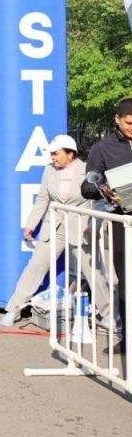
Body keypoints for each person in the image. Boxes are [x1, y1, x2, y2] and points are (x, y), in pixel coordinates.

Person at [2, 134, 115, 330]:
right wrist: (31, 224)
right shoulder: (49, 170)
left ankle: (109, 315)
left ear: (70, 154)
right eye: (51, 154)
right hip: (53, 227)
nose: (52, 157)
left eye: (56, 153)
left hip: (82, 228)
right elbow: (42, 200)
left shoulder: (88, 169)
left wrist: (93, 227)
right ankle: (14, 308)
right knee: (35, 267)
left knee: (93, 272)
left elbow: (99, 203)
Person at [80, 98, 132, 355]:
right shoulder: (102, 149)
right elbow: (87, 186)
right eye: (129, 123)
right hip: (124, 223)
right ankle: (129, 339)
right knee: (126, 282)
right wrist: (106, 191)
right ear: (117, 119)